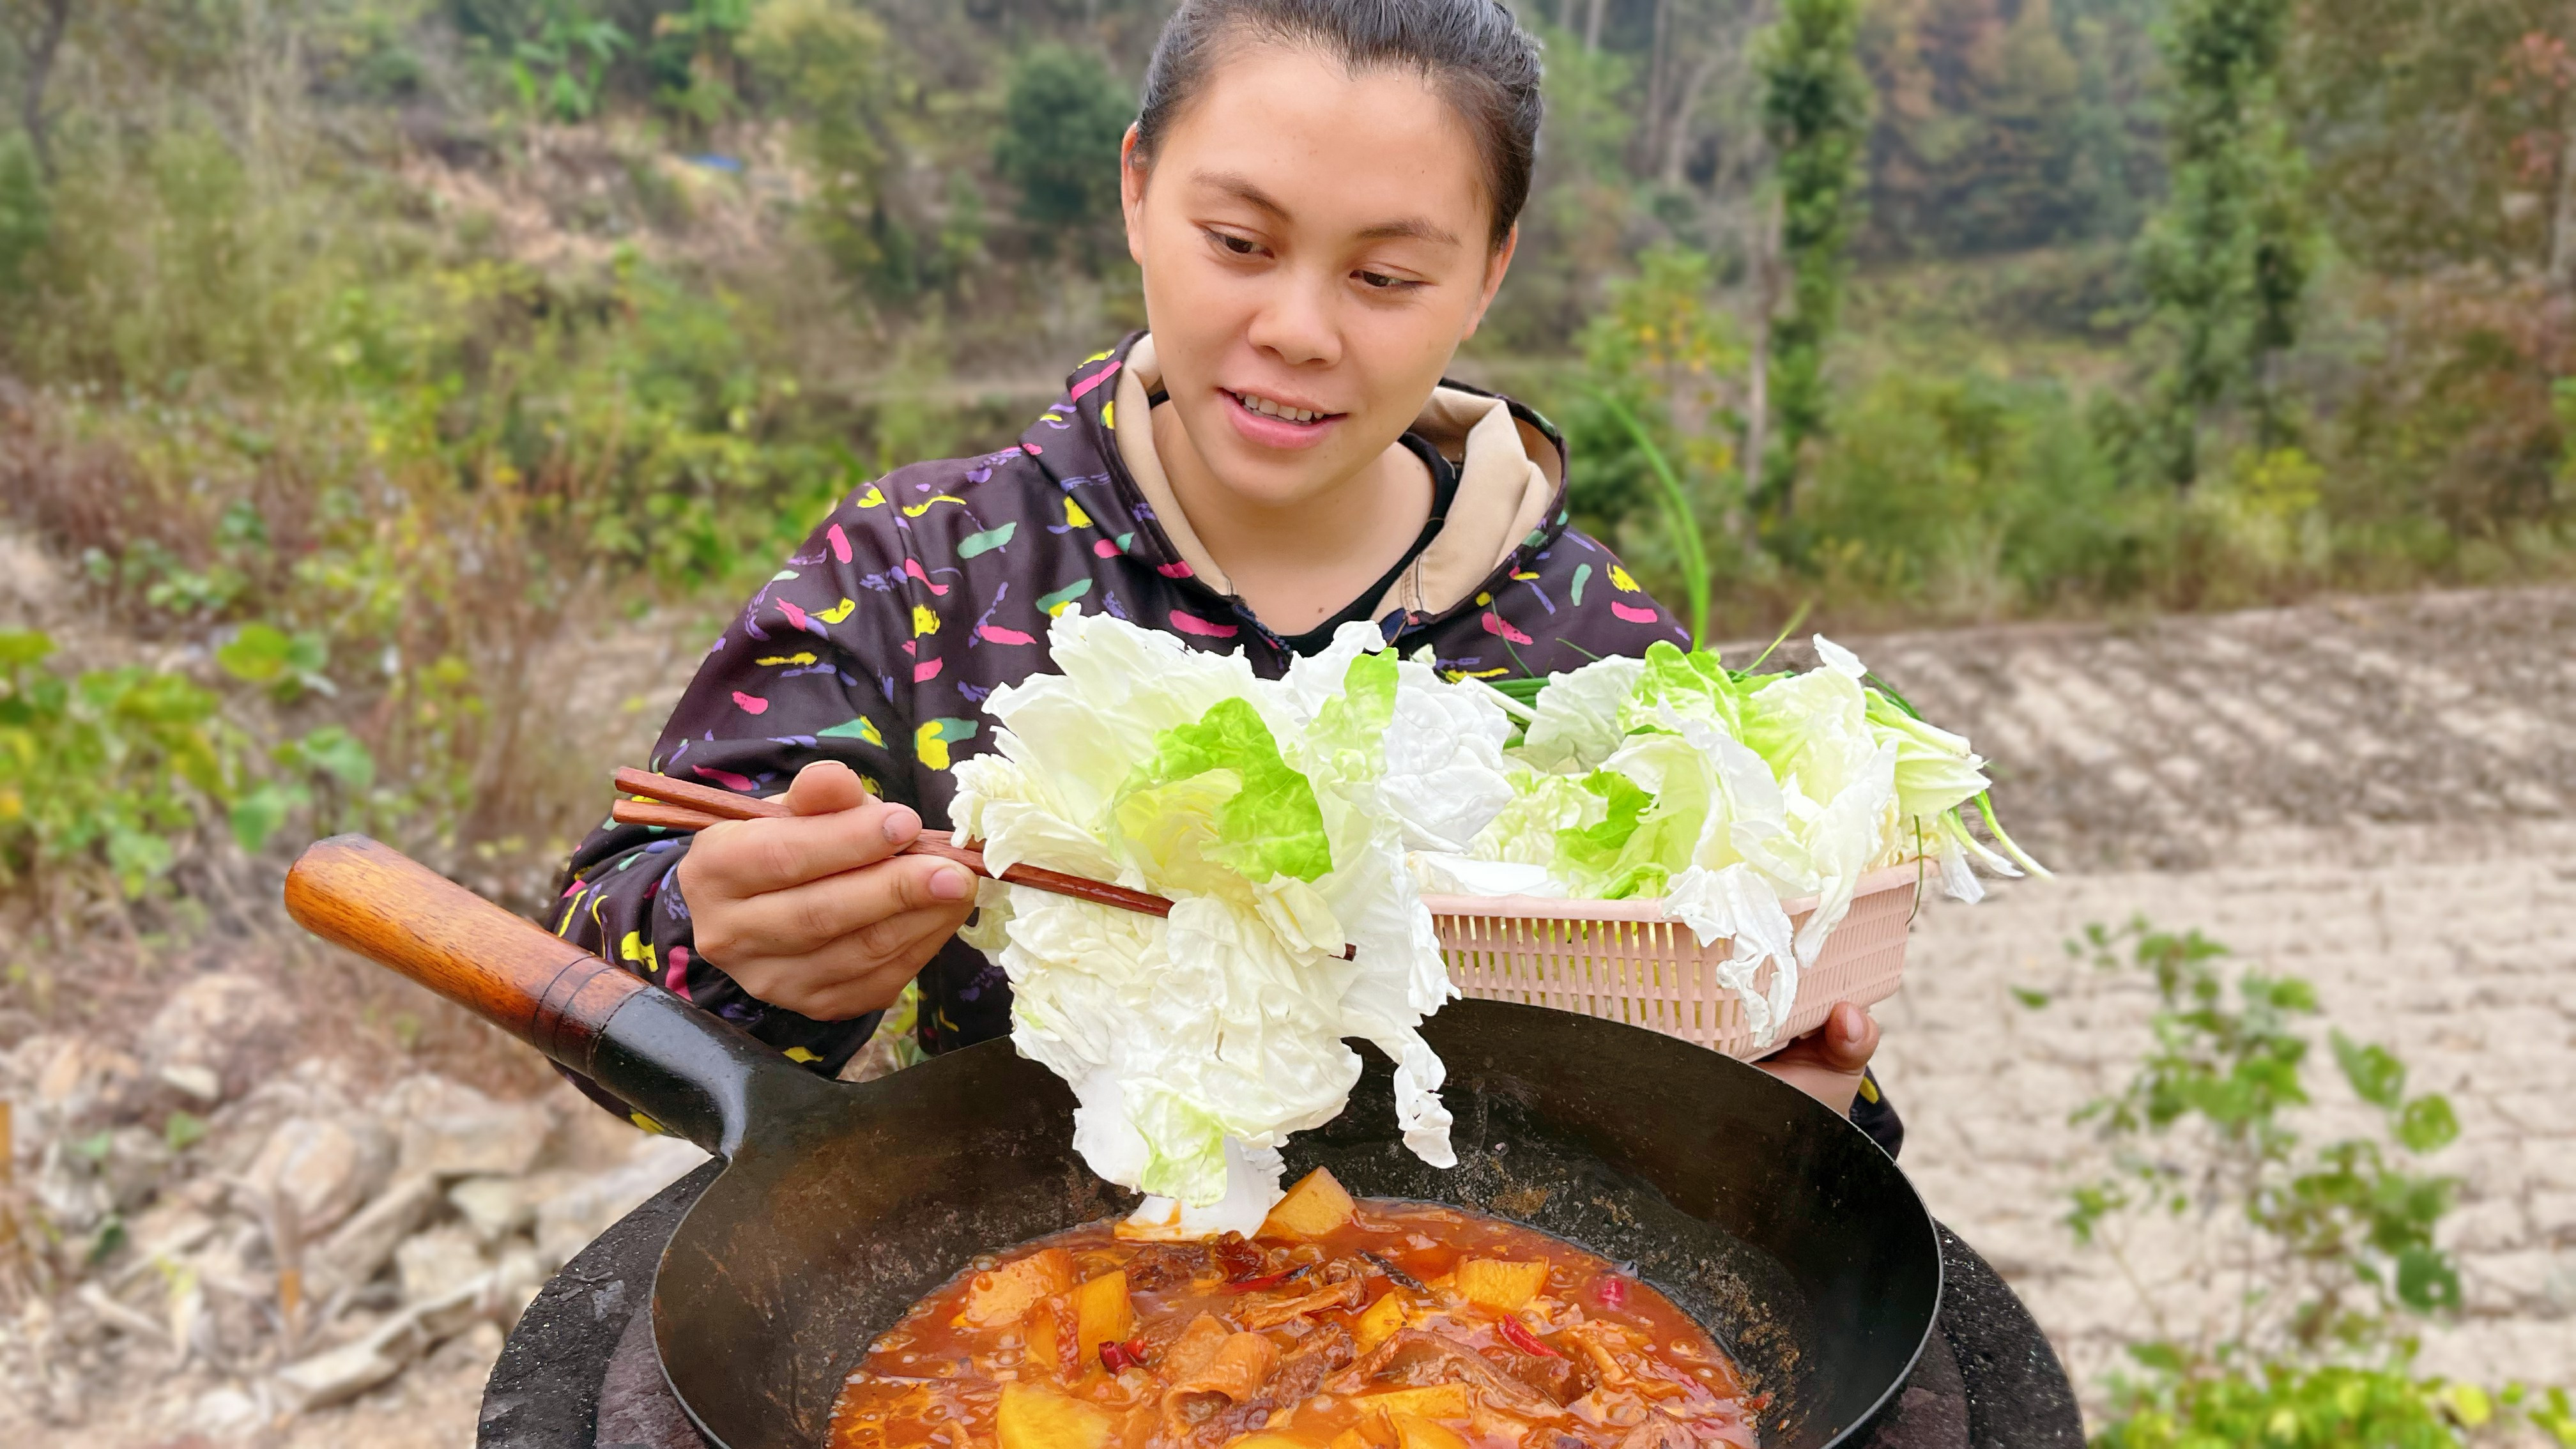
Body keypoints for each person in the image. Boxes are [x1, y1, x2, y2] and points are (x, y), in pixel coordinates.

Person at [553, 0, 1898, 1154]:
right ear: (1139, 189)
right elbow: (604, 980)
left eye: (1383, 275)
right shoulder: (917, 573)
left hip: (1472, 1341)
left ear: (1487, 272)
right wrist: (718, 940)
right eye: (1240, 244)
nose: (1296, 331)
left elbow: (1778, 1095)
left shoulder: (1596, 658)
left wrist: (1798, 1114)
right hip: (1020, 1316)